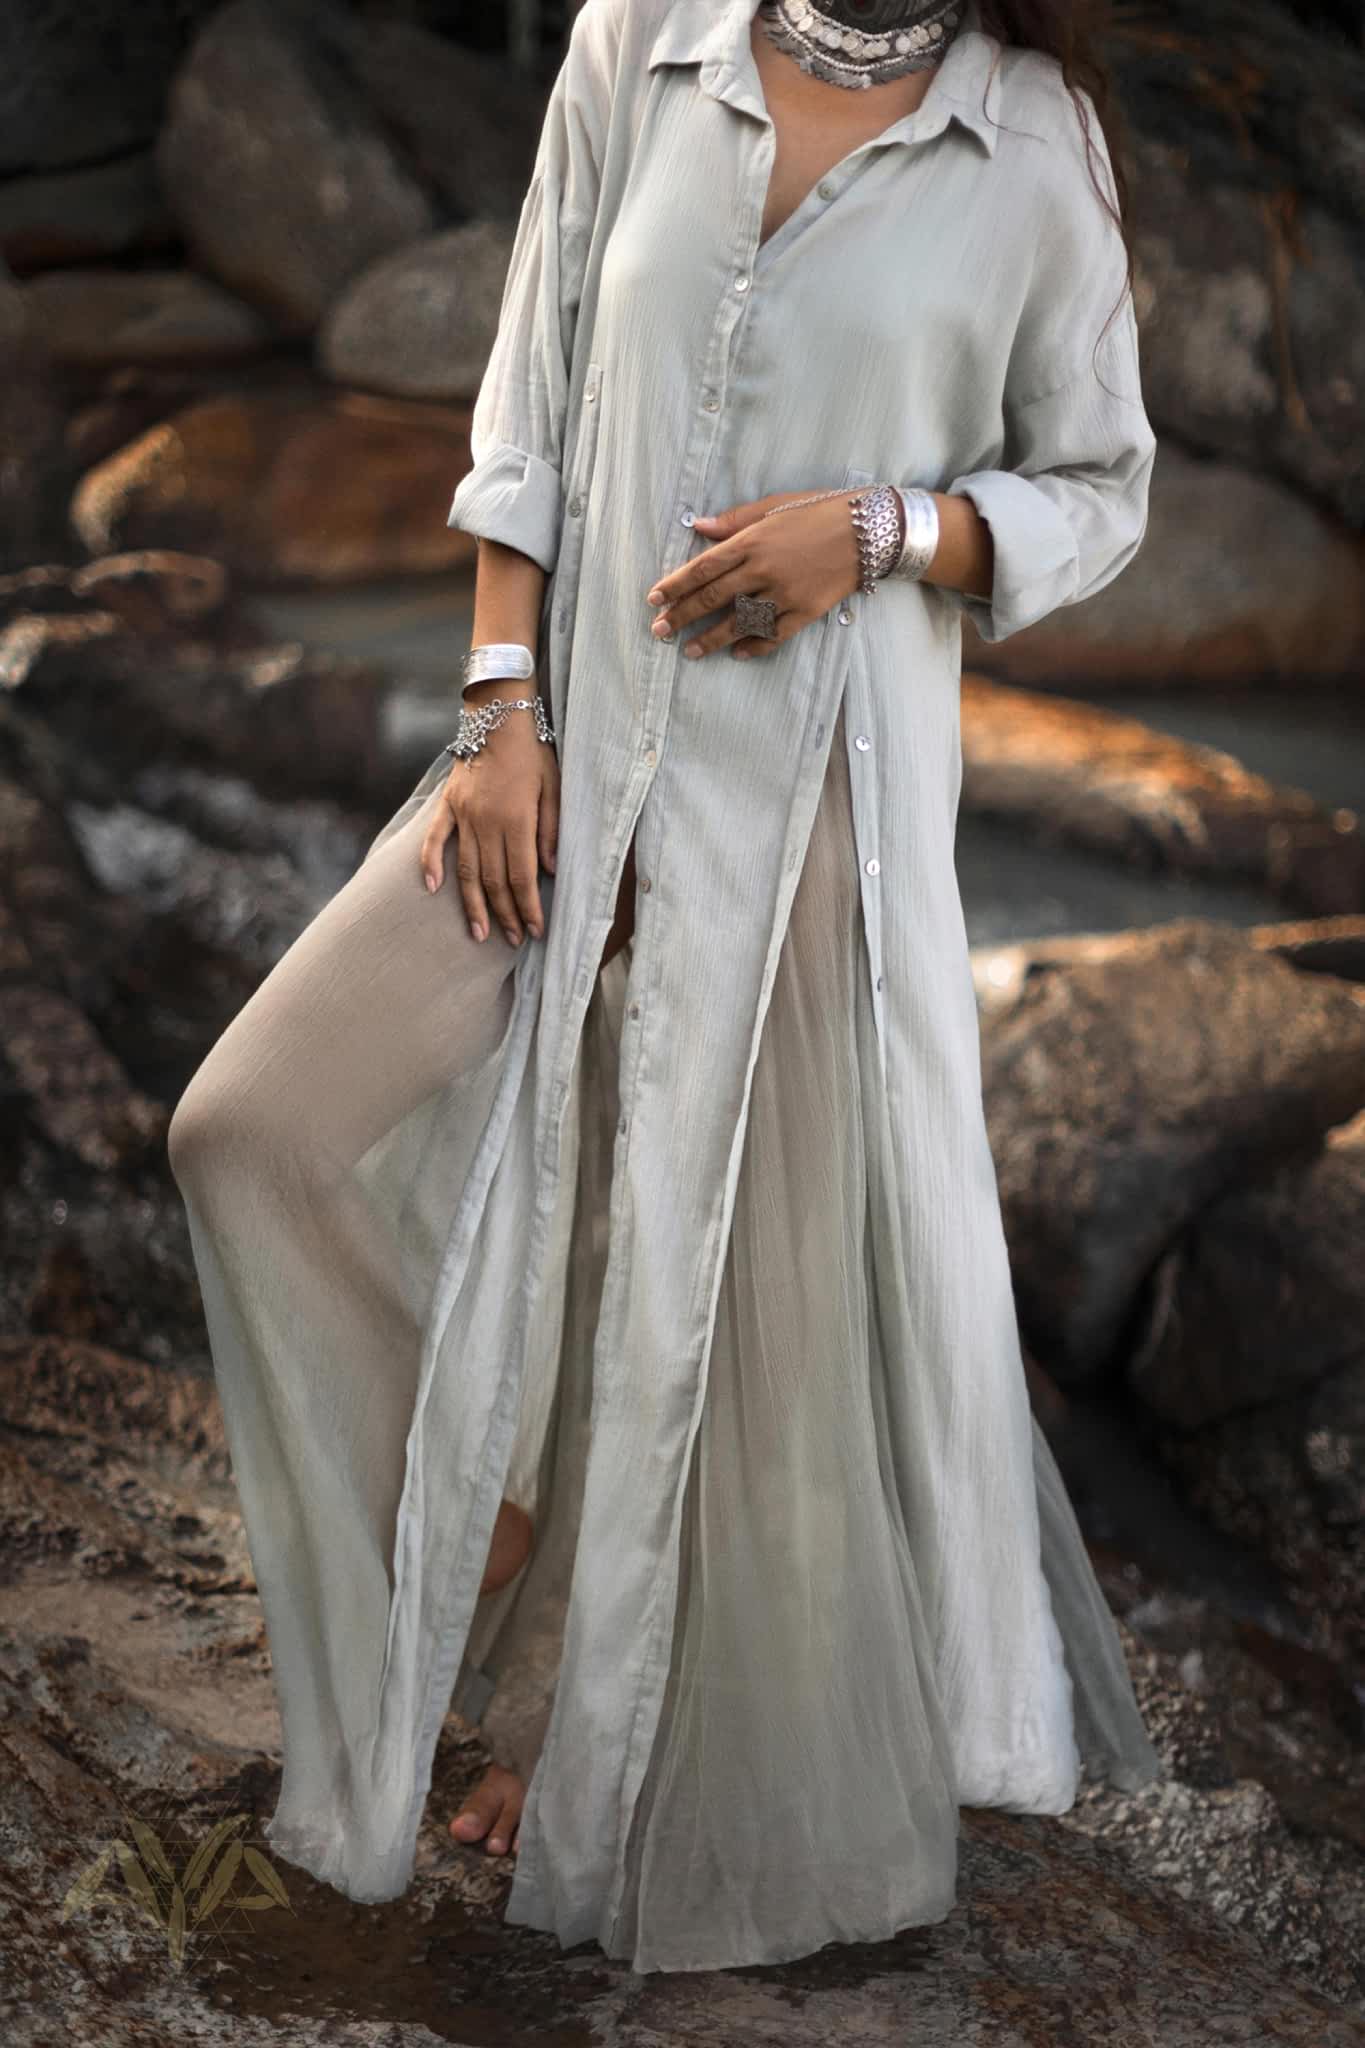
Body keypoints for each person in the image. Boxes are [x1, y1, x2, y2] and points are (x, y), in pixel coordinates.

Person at [168, 0, 1164, 1976]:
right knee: (249, 1129)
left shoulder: (1025, 142)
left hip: (807, 821)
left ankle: (589, 1744)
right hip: (559, 762)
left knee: (717, 1333)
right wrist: (496, 712)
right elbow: (528, 394)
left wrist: (878, 528)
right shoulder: (643, 39)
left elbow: (1102, 487)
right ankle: (494, 1545)